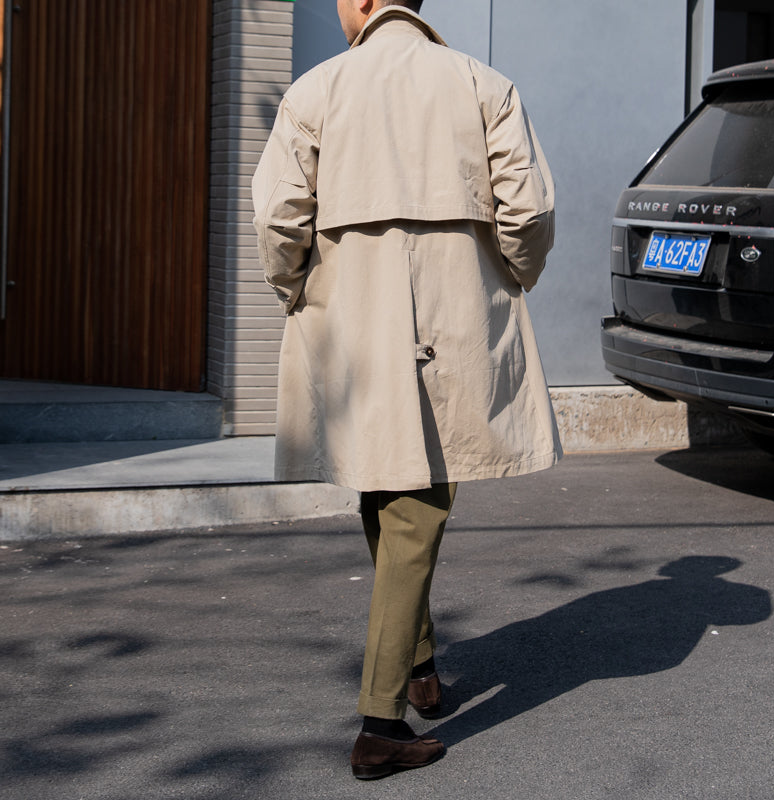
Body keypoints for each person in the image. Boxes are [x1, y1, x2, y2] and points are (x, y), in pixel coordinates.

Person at [252, 0, 561, 780]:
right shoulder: (482, 83)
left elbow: (276, 216)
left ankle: (411, 682)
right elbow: (529, 211)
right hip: (455, 317)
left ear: (360, 1)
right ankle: (383, 719)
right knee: (416, 503)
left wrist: (299, 292)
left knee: (388, 487)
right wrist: (507, 278)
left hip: (352, 323)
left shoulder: (316, 89)